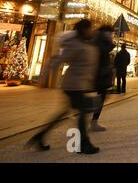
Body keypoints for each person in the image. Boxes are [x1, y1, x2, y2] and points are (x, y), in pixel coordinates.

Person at [27, 20, 100, 154]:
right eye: (90, 28)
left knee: (65, 113)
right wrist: (43, 76)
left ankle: (40, 136)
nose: (92, 30)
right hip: (73, 84)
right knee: (83, 112)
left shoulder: (86, 43)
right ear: (83, 30)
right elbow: (59, 59)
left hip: (80, 84)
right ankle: (83, 143)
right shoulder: (75, 45)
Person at [91, 25, 115, 132]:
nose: (111, 35)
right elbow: (102, 52)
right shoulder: (99, 40)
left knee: (102, 96)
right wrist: (111, 44)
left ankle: (93, 120)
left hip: (101, 73)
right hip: (98, 73)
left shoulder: (98, 39)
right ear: (105, 32)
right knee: (100, 97)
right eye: (110, 33)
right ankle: (93, 121)